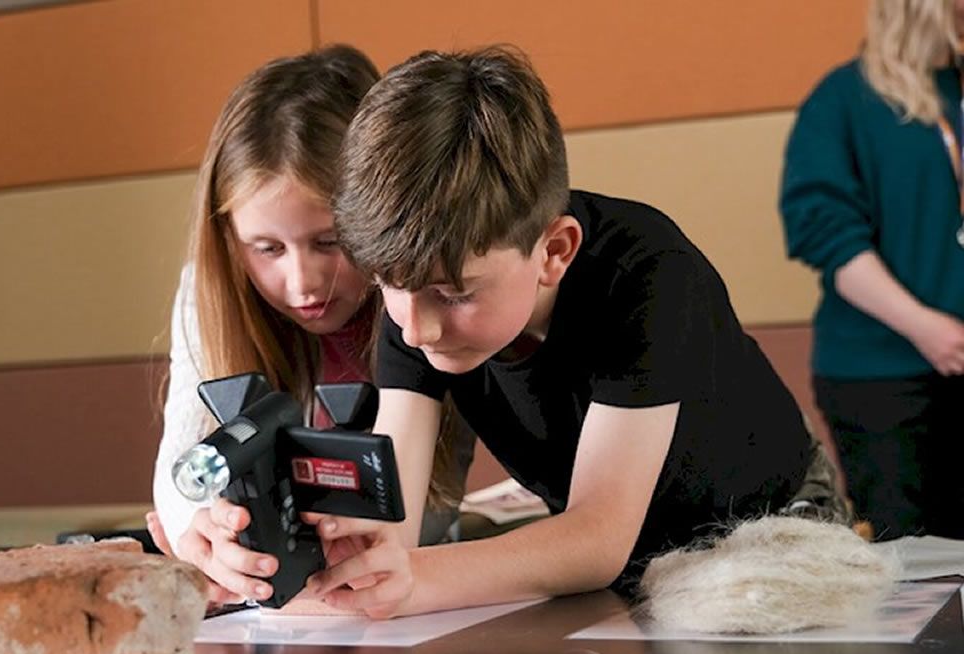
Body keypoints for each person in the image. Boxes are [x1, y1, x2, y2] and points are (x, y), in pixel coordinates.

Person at [261, 45, 846, 619]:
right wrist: (316, 553)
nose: (415, 330)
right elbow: (393, 513)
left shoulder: (649, 272)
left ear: (554, 252)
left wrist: (413, 579)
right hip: (629, 561)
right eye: (388, 285)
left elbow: (595, 538)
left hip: (771, 524)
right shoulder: (417, 295)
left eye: (456, 293)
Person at [149, 46, 471, 604]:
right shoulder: (207, 292)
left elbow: (419, 521)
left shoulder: (428, 303)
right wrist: (205, 534)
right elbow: (182, 467)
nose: (303, 284)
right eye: (267, 247)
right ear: (228, 239)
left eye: (330, 242)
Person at [780, 0, 964, 541]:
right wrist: (927, 328)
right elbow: (828, 236)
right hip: (881, 376)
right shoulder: (845, 99)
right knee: (909, 558)